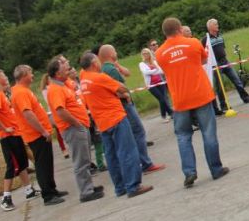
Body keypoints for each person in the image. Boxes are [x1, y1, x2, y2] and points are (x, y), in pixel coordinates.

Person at [157, 17, 229, 188]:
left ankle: (189, 172)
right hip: (201, 95)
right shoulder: (193, 43)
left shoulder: (159, 53)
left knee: (183, 136)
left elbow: (163, 69)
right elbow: (203, 60)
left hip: (180, 99)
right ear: (180, 29)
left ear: (164, 33)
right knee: (208, 133)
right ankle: (216, 169)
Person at [79, 52, 153, 198]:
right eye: (97, 61)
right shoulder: (100, 77)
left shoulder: (84, 78)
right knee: (127, 151)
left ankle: (120, 187)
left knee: (111, 155)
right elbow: (123, 88)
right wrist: (118, 84)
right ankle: (133, 186)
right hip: (115, 117)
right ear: (94, 63)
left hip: (101, 121)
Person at [98, 45, 165, 173]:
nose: (116, 53)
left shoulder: (107, 68)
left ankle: (141, 163)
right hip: (125, 105)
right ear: (111, 54)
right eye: (115, 51)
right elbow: (117, 87)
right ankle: (145, 163)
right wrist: (126, 95)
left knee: (133, 134)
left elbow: (127, 73)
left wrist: (117, 65)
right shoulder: (111, 70)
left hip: (119, 106)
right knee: (138, 131)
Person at [46, 57, 104, 203]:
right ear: (57, 73)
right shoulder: (55, 89)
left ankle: (89, 187)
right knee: (80, 161)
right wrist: (76, 123)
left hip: (79, 126)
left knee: (85, 158)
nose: (68, 69)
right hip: (73, 128)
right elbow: (60, 111)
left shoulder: (63, 85)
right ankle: (86, 192)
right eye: (65, 67)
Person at [11, 65, 66, 206]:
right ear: (23, 75)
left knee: (47, 163)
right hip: (36, 135)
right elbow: (28, 114)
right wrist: (43, 131)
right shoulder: (21, 92)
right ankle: (48, 195)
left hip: (38, 133)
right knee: (42, 165)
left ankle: (52, 189)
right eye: (30, 73)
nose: (33, 76)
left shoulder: (22, 91)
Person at [0, 69, 39, 211]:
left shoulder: (2, 94)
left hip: (15, 134)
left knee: (22, 163)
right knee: (12, 166)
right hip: (7, 137)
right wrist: (4, 128)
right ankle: (6, 198)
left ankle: (29, 190)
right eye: (3, 76)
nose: (6, 78)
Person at [202, 18, 249, 115]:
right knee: (220, 86)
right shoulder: (205, 39)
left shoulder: (220, 36)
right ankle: (224, 105)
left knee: (237, 80)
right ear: (210, 27)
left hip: (225, 61)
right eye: (216, 24)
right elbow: (204, 53)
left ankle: (245, 97)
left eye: (217, 24)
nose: (218, 26)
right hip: (216, 65)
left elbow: (223, 48)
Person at [139, 48, 173, 122]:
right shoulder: (142, 64)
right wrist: (156, 70)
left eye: (146, 53)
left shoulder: (154, 62)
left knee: (164, 99)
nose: (145, 55)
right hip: (151, 85)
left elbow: (161, 71)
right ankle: (166, 115)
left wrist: (154, 70)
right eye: (143, 53)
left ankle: (169, 114)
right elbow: (146, 72)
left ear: (149, 54)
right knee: (161, 99)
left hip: (160, 82)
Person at [40, 73, 69, 159]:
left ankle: (65, 147)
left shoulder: (54, 88)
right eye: (49, 79)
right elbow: (48, 101)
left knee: (62, 129)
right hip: (52, 111)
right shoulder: (46, 90)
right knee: (59, 129)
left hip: (57, 109)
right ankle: (63, 149)